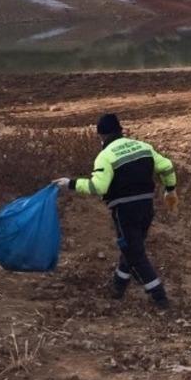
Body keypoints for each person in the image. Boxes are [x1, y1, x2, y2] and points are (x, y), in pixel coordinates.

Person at [54, 113, 178, 308]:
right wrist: (170, 190)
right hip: (147, 206)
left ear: (101, 136)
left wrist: (70, 183)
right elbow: (167, 166)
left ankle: (159, 297)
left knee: (135, 255)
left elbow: (98, 187)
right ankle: (118, 286)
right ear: (120, 130)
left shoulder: (105, 156)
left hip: (125, 210)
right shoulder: (143, 147)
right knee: (131, 248)